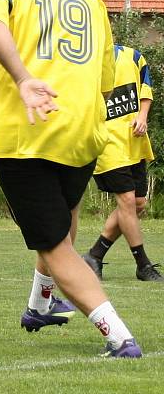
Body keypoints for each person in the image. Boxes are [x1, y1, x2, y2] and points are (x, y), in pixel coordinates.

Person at [0, 0, 140, 358]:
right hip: (85, 130)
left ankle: (119, 335)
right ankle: (40, 305)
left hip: (26, 131)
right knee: (59, 219)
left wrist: (25, 78)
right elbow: (108, 78)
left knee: (52, 242)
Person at [82, 45, 162, 282]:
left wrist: (142, 116)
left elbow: (146, 89)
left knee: (137, 203)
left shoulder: (134, 56)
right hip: (107, 143)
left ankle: (95, 255)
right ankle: (143, 265)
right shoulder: (87, 60)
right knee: (126, 201)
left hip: (133, 141)